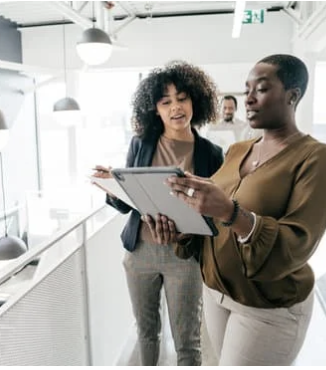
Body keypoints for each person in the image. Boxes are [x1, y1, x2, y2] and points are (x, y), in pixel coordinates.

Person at [158, 54, 326, 365]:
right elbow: (212, 219)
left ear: (293, 95)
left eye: (262, 89)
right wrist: (185, 228)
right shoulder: (238, 150)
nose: (249, 99)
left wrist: (231, 212)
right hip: (217, 293)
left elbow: (296, 244)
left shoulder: (315, 159)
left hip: (268, 307)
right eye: (247, 90)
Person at [92, 61, 224, 366]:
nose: (176, 107)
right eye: (166, 102)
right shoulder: (140, 144)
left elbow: (217, 213)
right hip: (140, 253)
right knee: (146, 334)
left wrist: (192, 228)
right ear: (155, 109)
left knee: (187, 344)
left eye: (182, 98)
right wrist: (112, 187)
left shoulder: (212, 154)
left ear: (195, 101)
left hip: (185, 258)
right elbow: (128, 204)